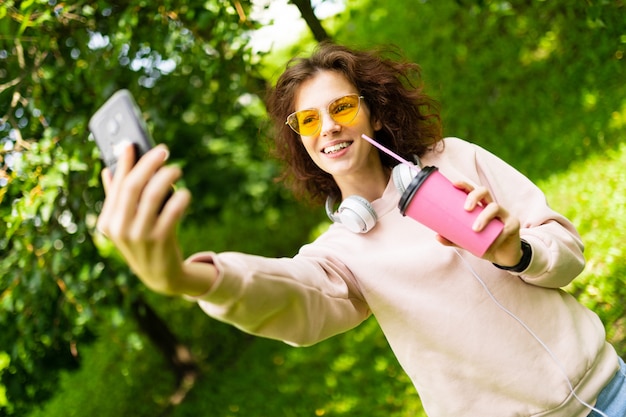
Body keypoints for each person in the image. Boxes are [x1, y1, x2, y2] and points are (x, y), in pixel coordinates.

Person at [96, 42, 625, 417]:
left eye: (342, 106)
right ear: (300, 139)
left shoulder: (455, 159)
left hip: (611, 387)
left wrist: (517, 251)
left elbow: (570, 254)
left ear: (371, 112)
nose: (328, 126)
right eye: (308, 120)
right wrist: (185, 279)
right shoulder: (341, 253)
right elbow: (287, 296)